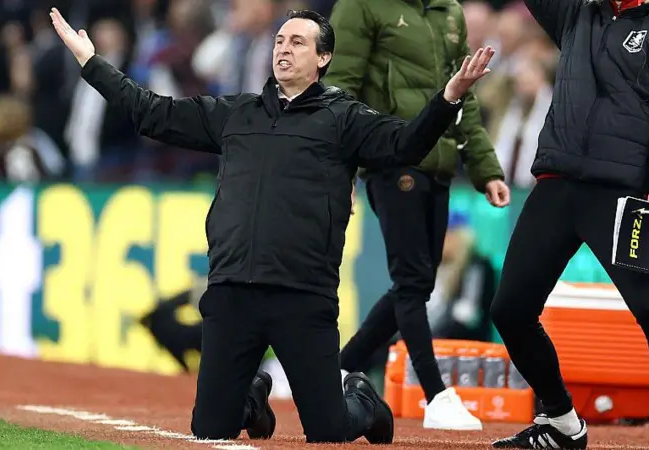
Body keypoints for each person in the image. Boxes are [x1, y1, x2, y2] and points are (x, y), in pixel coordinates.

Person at [49, 6, 495, 444]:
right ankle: (253, 399)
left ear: (323, 59)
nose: (284, 49)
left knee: (329, 430)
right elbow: (152, 112)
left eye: (298, 42)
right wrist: (91, 62)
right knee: (210, 431)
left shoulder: (345, 118)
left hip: (303, 296)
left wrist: (448, 98)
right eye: (280, 40)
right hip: (231, 293)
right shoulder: (236, 112)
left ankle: (361, 396)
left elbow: (407, 144)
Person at [488, 1, 649, 449]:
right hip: (557, 183)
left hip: (622, 192)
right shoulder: (577, 13)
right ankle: (563, 423)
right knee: (509, 310)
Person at [323, 0, 511, 431]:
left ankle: (336, 370)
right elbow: (339, 93)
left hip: (439, 165)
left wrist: (485, 168)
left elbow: (464, 95)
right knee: (411, 283)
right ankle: (437, 395)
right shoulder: (360, 6)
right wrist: (340, 170)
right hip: (390, 159)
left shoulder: (449, 10)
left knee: (417, 284)